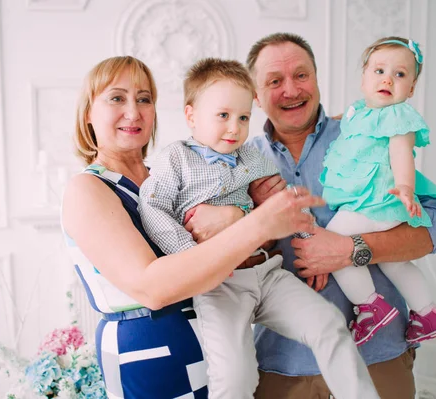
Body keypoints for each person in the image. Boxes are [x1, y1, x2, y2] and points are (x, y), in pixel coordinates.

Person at [60, 55, 325, 399]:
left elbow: (248, 255)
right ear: (87, 113)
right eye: (116, 98)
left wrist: (241, 215)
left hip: (213, 353)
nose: (133, 111)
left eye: (144, 99)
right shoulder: (89, 189)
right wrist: (251, 222)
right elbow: (153, 287)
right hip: (152, 364)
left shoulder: (167, 174)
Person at [137, 58, 378, 399]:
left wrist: (311, 242)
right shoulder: (174, 159)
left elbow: (283, 205)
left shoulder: (252, 157)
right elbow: (154, 208)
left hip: (267, 272)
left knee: (329, 325)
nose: (234, 128)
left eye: (243, 117)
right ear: (191, 116)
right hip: (220, 284)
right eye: (223, 116)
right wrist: (194, 257)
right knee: (235, 378)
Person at [243, 33, 436, 399]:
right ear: (256, 96)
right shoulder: (238, 163)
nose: (291, 90)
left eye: (301, 75)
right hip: (280, 364)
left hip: (377, 359)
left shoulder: (370, 131)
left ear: (317, 78)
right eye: (275, 81)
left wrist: (352, 249)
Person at [320, 36, 436, 347]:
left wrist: (406, 188)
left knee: (336, 244)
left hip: (378, 201)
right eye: (379, 70)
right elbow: (346, 124)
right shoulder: (357, 111)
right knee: (394, 262)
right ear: (364, 77)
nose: (387, 79)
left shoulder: (397, 117)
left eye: (400, 74)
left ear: (412, 88)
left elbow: (401, 154)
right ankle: (427, 314)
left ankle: (370, 307)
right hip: (371, 204)